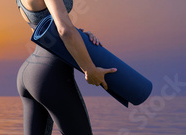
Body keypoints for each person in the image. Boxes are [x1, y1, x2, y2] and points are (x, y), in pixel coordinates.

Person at [16, 0, 117, 134]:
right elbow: (64, 31)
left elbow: (44, 29)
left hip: (30, 72)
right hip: (50, 74)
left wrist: (79, 37)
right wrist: (90, 70)